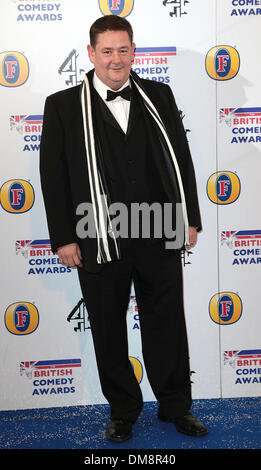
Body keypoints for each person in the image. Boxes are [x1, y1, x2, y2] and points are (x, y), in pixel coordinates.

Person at [40, 15, 208, 442]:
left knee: (167, 323)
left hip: (159, 228)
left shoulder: (159, 95)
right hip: (95, 234)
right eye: (107, 51)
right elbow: (53, 176)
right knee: (108, 327)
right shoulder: (61, 106)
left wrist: (188, 217)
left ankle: (175, 406)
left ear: (134, 50)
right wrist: (62, 237)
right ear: (92, 53)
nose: (117, 59)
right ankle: (122, 411)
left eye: (124, 49)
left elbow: (181, 160)